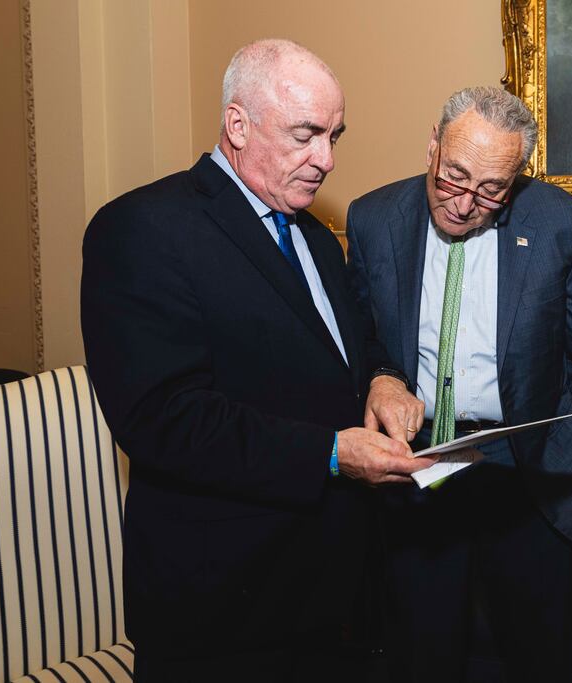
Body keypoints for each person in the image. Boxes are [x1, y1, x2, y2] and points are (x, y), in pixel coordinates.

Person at [80, 39, 432, 682]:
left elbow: (351, 346)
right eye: (305, 135)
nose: (326, 160)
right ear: (238, 125)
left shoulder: (315, 237)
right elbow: (163, 418)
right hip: (222, 612)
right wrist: (332, 452)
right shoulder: (142, 228)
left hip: (331, 598)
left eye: (333, 137)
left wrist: (383, 379)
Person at [345, 86, 572, 682]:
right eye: (454, 176)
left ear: (515, 182)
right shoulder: (372, 218)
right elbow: (358, 338)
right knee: (423, 657)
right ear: (432, 147)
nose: (465, 204)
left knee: (538, 658)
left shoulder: (560, 222)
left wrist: (563, 463)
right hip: (418, 469)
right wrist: (383, 377)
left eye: (491, 190)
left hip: (523, 472)